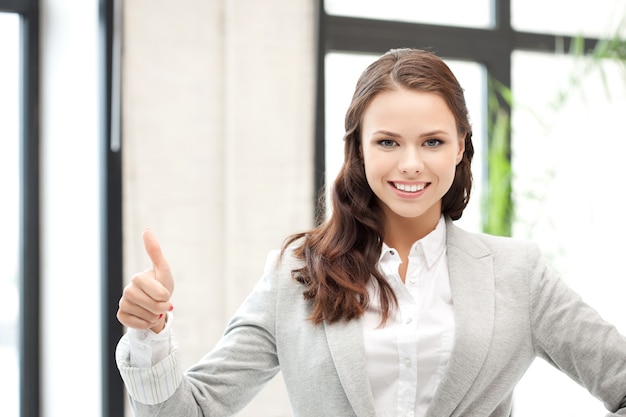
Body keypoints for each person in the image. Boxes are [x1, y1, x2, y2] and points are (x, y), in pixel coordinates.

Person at [115, 48, 626, 417]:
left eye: (431, 141)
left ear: (460, 147)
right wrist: (148, 334)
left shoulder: (519, 275)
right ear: (358, 149)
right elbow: (190, 411)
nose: (410, 164)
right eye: (387, 141)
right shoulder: (296, 276)